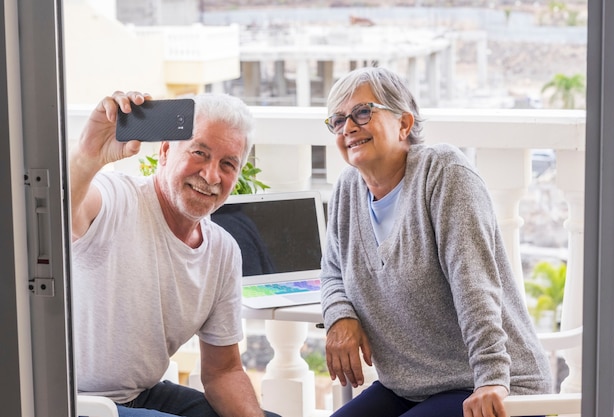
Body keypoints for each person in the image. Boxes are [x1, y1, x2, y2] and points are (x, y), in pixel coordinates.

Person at [319, 67, 552, 417]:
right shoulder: (347, 189)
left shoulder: (444, 173)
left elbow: (475, 285)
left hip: (491, 383)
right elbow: (333, 271)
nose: (348, 127)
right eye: (337, 120)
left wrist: (491, 380)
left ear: (404, 124)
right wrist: (340, 317)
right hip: (408, 385)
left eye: (363, 112)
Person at [70, 91, 280, 417]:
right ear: (166, 151)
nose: (211, 176)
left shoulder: (222, 251)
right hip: (73, 401)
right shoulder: (117, 198)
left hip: (140, 395)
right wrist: (87, 156)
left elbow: (223, 371)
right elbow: (60, 214)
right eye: (200, 152)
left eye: (228, 164)